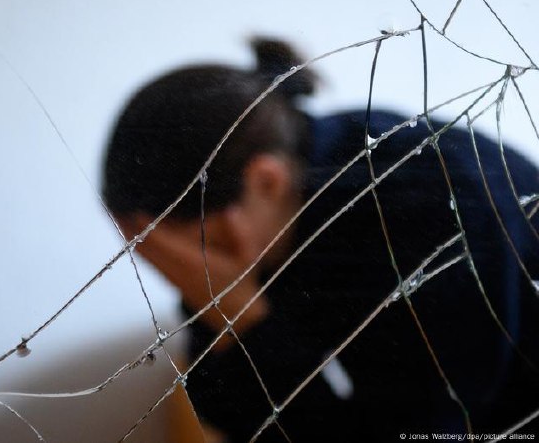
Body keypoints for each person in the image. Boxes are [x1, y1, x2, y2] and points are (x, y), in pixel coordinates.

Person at [101, 38, 539, 442]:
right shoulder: (270, 182)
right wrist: (232, 320)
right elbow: (224, 412)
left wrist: (244, 320)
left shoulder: (425, 206)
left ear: (266, 181)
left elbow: (423, 431)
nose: (195, 271)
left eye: (198, 250)